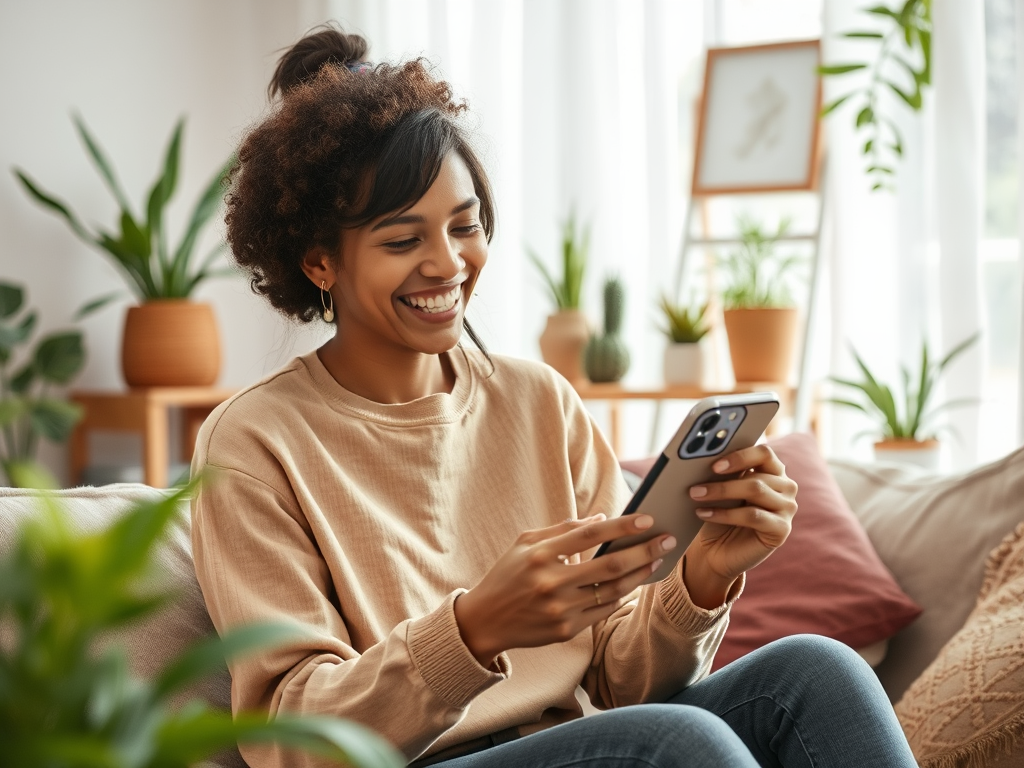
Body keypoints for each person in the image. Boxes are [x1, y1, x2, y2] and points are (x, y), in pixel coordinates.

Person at [190, 25, 918, 768]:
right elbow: (292, 740)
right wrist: (472, 631)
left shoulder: (539, 401)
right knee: (677, 743)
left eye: (465, 225)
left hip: (579, 743)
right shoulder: (253, 442)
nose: (448, 263)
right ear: (319, 262)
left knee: (818, 671)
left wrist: (706, 573)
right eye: (403, 241)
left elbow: (619, 678)